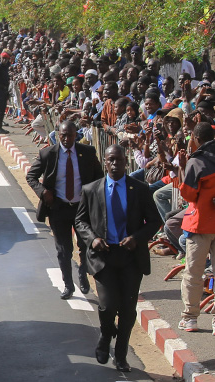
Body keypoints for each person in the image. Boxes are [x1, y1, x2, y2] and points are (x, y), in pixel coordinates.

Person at [74, 144, 162, 372]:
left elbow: (154, 221)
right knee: (107, 305)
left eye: (119, 160)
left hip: (130, 256)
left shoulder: (140, 189)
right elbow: (81, 221)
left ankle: (121, 354)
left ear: (126, 161)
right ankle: (105, 335)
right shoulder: (91, 189)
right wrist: (93, 239)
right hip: (103, 256)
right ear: (105, 162)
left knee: (128, 309)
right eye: (111, 160)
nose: (115, 164)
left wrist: (136, 237)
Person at [26, 121, 103, 300]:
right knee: (63, 250)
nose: (67, 139)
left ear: (76, 134)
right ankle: (68, 285)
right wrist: (43, 192)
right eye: (63, 135)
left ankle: (83, 274)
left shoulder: (87, 153)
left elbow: (99, 178)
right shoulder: (48, 154)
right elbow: (31, 176)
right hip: (58, 208)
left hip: (81, 209)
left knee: (85, 246)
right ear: (58, 135)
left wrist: (92, 198)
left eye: (70, 135)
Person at [176, 122, 215, 332]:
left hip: (200, 225)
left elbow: (188, 194)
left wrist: (182, 166)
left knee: (193, 272)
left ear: (196, 139)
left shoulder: (196, 161)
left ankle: (190, 318)